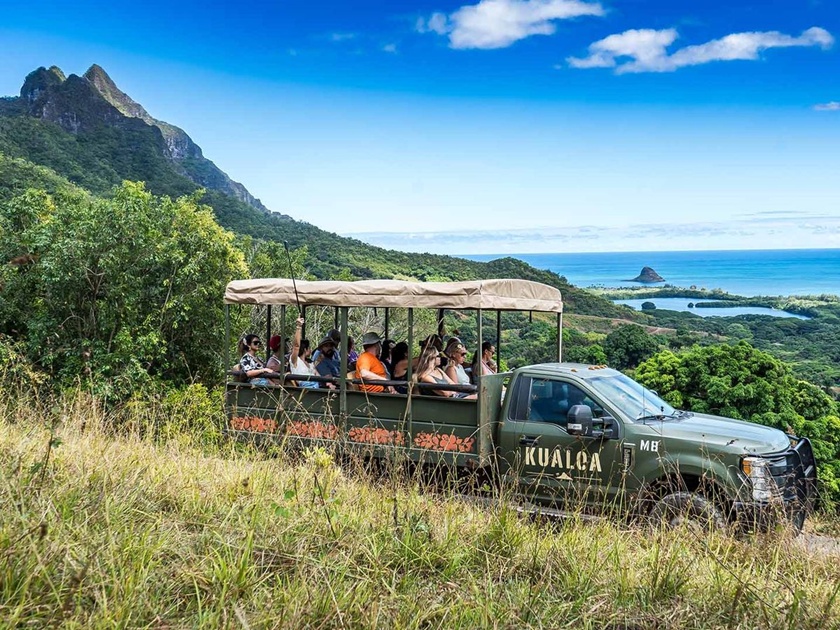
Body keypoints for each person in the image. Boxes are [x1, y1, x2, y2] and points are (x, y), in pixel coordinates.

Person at [288, 317, 319, 388]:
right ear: (305, 349)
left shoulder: (310, 363)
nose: (311, 350)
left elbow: (318, 376)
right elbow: (296, 346)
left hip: (316, 385)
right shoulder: (295, 361)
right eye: (309, 348)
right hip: (306, 386)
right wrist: (298, 327)